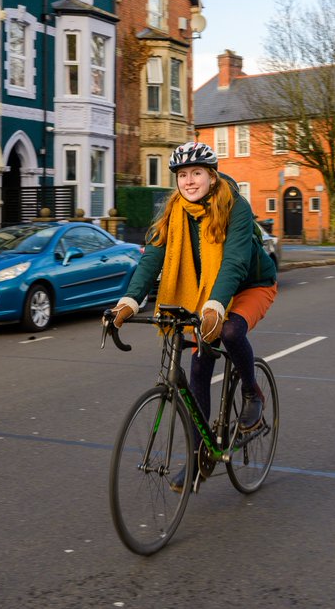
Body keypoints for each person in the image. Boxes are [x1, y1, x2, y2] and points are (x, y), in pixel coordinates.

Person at [106, 141, 278, 492]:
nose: (189, 181)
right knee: (200, 363)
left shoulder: (235, 207)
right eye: (182, 175)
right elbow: (152, 257)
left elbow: (235, 261)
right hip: (204, 292)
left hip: (250, 285)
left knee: (229, 332)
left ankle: (252, 393)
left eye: (196, 173)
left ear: (212, 176)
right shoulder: (174, 212)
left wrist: (215, 307)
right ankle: (202, 457)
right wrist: (129, 302)